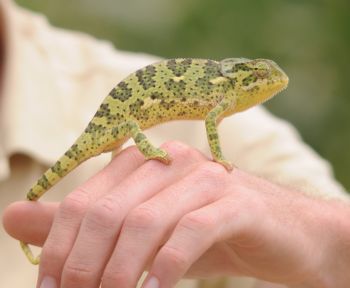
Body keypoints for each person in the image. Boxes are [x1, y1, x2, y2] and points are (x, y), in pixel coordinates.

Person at [1, 0, 350, 287]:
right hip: (122, 121)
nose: (264, 82)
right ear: (244, 78)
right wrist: (210, 157)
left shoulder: (251, 135)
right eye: (258, 76)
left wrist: (323, 243)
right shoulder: (222, 95)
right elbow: (208, 121)